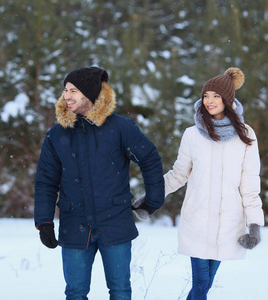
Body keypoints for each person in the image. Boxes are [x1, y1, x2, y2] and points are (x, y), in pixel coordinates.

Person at [34, 66, 165, 300]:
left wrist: (153, 200)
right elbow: (46, 180)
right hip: (75, 224)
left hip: (115, 222)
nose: (67, 96)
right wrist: (44, 221)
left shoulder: (120, 127)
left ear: (89, 94)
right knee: (75, 292)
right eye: (65, 90)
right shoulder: (57, 134)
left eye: (73, 90)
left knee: (120, 291)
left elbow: (150, 159)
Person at [158, 67, 264, 299]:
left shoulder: (246, 135)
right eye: (206, 95)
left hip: (228, 223)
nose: (209, 100)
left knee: (204, 286)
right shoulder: (192, 134)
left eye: (216, 96)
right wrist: (151, 196)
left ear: (228, 99)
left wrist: (254, 224)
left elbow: (249, 184)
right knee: (201, 284)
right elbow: (178, 174)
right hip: (197, 219)